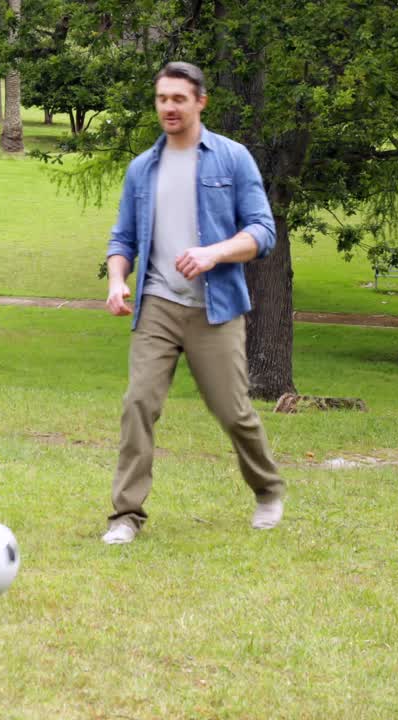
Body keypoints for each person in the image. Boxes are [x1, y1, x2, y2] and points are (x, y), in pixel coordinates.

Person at [101, 62, 285, 545]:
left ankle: (268, 490)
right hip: (158, 303)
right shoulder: (142, 168)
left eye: (179, 99)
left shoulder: (232, 158)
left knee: (233, 411)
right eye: (162, 98)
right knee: (138, 403)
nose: (169, 107)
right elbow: (122, 238)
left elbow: (263, 231)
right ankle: (126, 515)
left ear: (200, 101)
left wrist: (213, 253)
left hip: (215, 307)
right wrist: (117, 281)